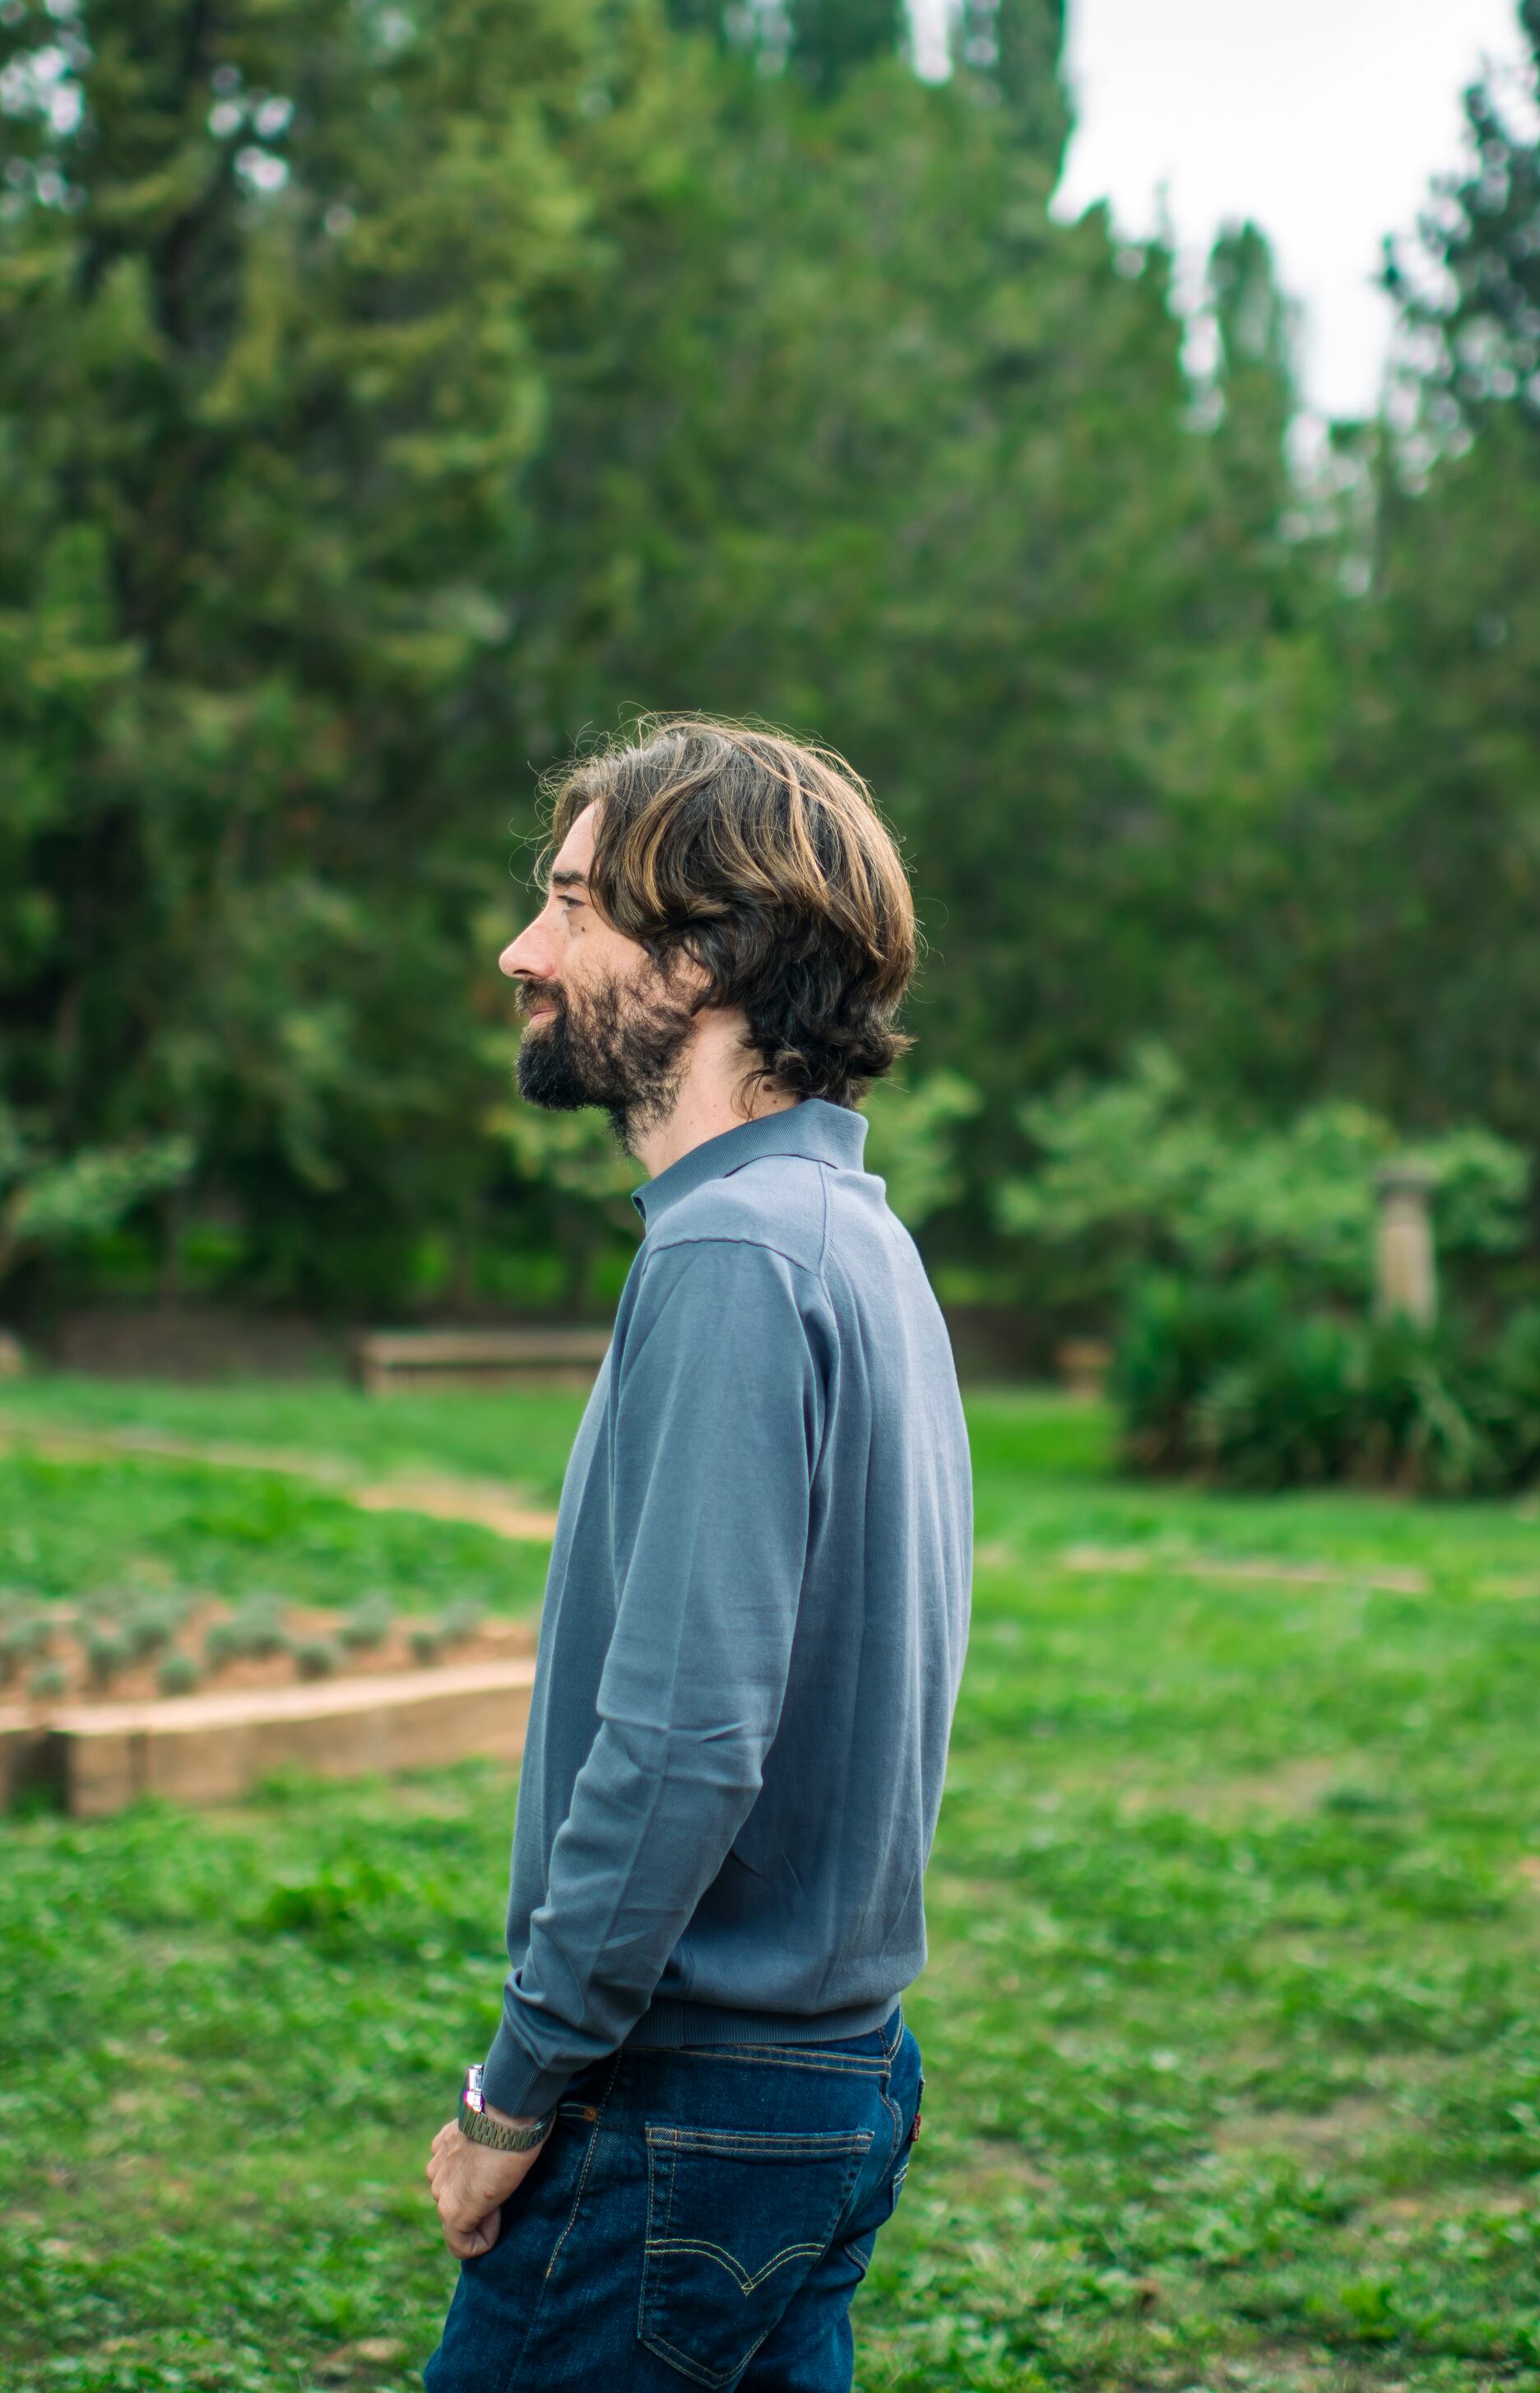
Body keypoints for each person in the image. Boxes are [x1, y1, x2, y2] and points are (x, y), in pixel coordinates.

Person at [422, 718, 975, 2393]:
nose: (525, 948)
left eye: (575, 905)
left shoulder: (735, 1255)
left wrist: (514, 2088)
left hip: (681, 2108)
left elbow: (678, 1741)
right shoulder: (850, 1236)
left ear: (707, 953)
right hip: (825, 2089)